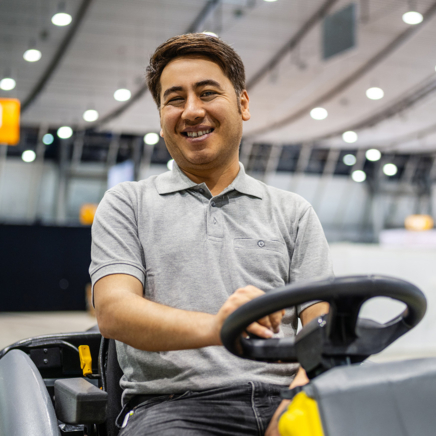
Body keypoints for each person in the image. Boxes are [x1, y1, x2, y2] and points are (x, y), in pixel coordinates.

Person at [90, 33, 333, 436]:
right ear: (161, 116)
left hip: (287, 399)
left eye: (206, 93)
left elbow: (320, 323)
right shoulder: (127, 203)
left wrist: (298, 403)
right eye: (174, 99)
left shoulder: (293, 213)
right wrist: (222, 327)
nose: (191, 111)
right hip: (173, 406)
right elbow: (114, 312)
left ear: (242, 103)